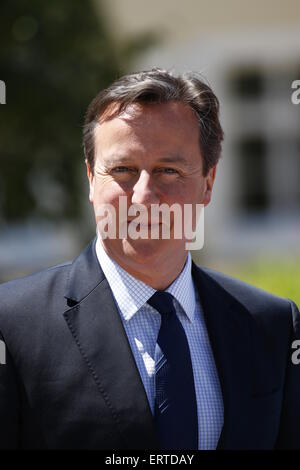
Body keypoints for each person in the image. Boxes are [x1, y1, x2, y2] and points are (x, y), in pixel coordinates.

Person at [0, 68, 299, 450]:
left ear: (208, 183)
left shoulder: (273, 326)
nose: (143, 196)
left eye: (168, 171)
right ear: (91, 179)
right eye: (123, 169)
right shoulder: (11, 326)